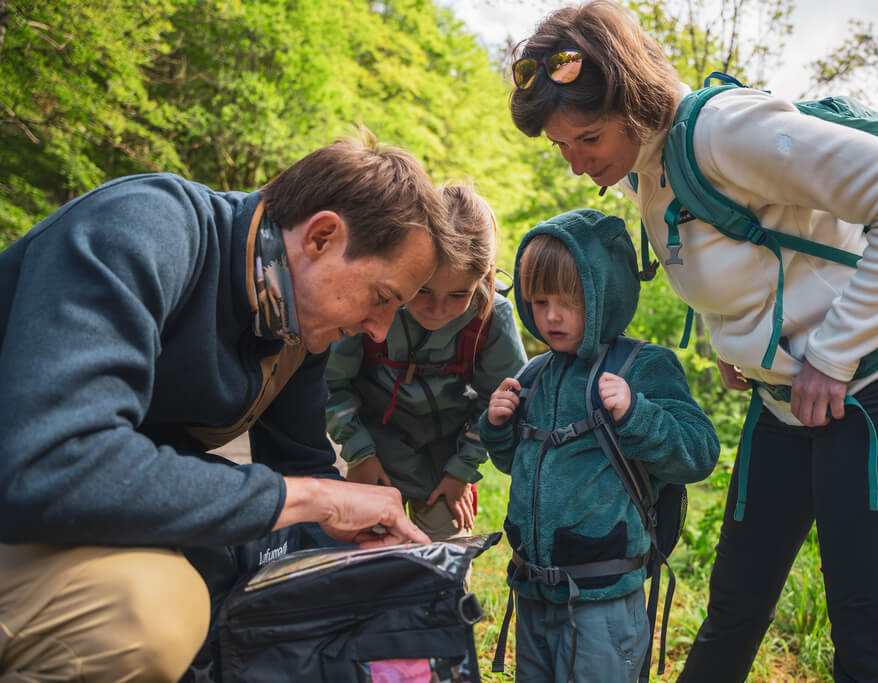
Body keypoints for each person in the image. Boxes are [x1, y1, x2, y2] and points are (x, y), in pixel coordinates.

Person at [508, 2, 878, 681]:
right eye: (561, 146)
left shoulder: (725, 132)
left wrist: (833, 356)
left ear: (632, 100)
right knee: (733, 612)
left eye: (587, 139)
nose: (575, 164)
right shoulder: (644, 168)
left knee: (871, 639)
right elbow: (751, 260)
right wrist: (740, 342)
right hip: (782, 406)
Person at [0, 131, 458, 681]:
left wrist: (368, 560)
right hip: (29, 496)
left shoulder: (293, 322)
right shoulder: (146, 228)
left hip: (53, 515)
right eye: (382, 298)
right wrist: (313, 497)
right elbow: (54, 466)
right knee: (149, 610)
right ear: (321, 238)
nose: (379, 328)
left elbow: (299, 468)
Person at [480, 208, 719, 683]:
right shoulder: (535, 374)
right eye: (540, 300)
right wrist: (499, 428)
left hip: (603, 601)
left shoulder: (643, 366)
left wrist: (638, 414)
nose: (551, 316)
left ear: (603, 293)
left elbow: (699, 451)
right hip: (533, 592)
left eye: (569, 300)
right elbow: (522, 467)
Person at [324, 182, 528, 543]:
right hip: (374, 450)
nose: (437, 310)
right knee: (368, 551)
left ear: (484, 276)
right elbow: (331, 383)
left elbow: (500, 401)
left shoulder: (492, 319)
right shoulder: (374, 302)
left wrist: (462, 470)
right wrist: (358, 453)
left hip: (445, 462)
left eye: (458, 295)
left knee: (444, 558)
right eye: (423, 291)